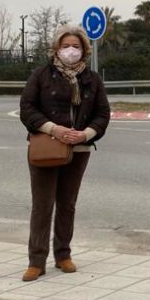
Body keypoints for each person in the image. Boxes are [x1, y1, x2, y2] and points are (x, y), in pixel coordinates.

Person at [18, 25, 110, 282]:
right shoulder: (41, 75)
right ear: (56, 48)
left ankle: (63, 255)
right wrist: (53, 129)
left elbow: (103, 114)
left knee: (67, 204)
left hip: (78, 149)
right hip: (45, 147)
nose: (71, 50)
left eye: (76, 46)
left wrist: (86, 134)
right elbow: (27, 108)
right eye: (66, 45)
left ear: (84, 50)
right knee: (42, 205)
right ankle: (36, 260)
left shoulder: (92, 79)